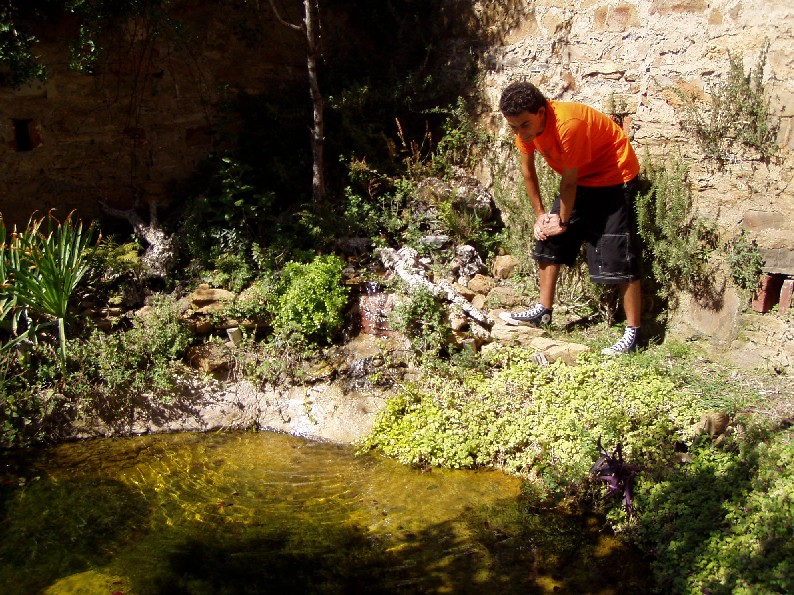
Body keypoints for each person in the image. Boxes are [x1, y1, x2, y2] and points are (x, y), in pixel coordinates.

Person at [498, 81, 642, 355]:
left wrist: (560, 222)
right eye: (514, 127)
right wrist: (542, 217)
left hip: (614, 176)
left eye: (524, 125)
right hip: (581, 179)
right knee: (547, 241)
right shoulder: (525, 130)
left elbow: (569, 182)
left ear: (541, 112)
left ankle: (633, 334)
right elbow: (529, 173)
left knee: (617, 253)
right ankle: (543, 311)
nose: (520, 133)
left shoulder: (568, 124)